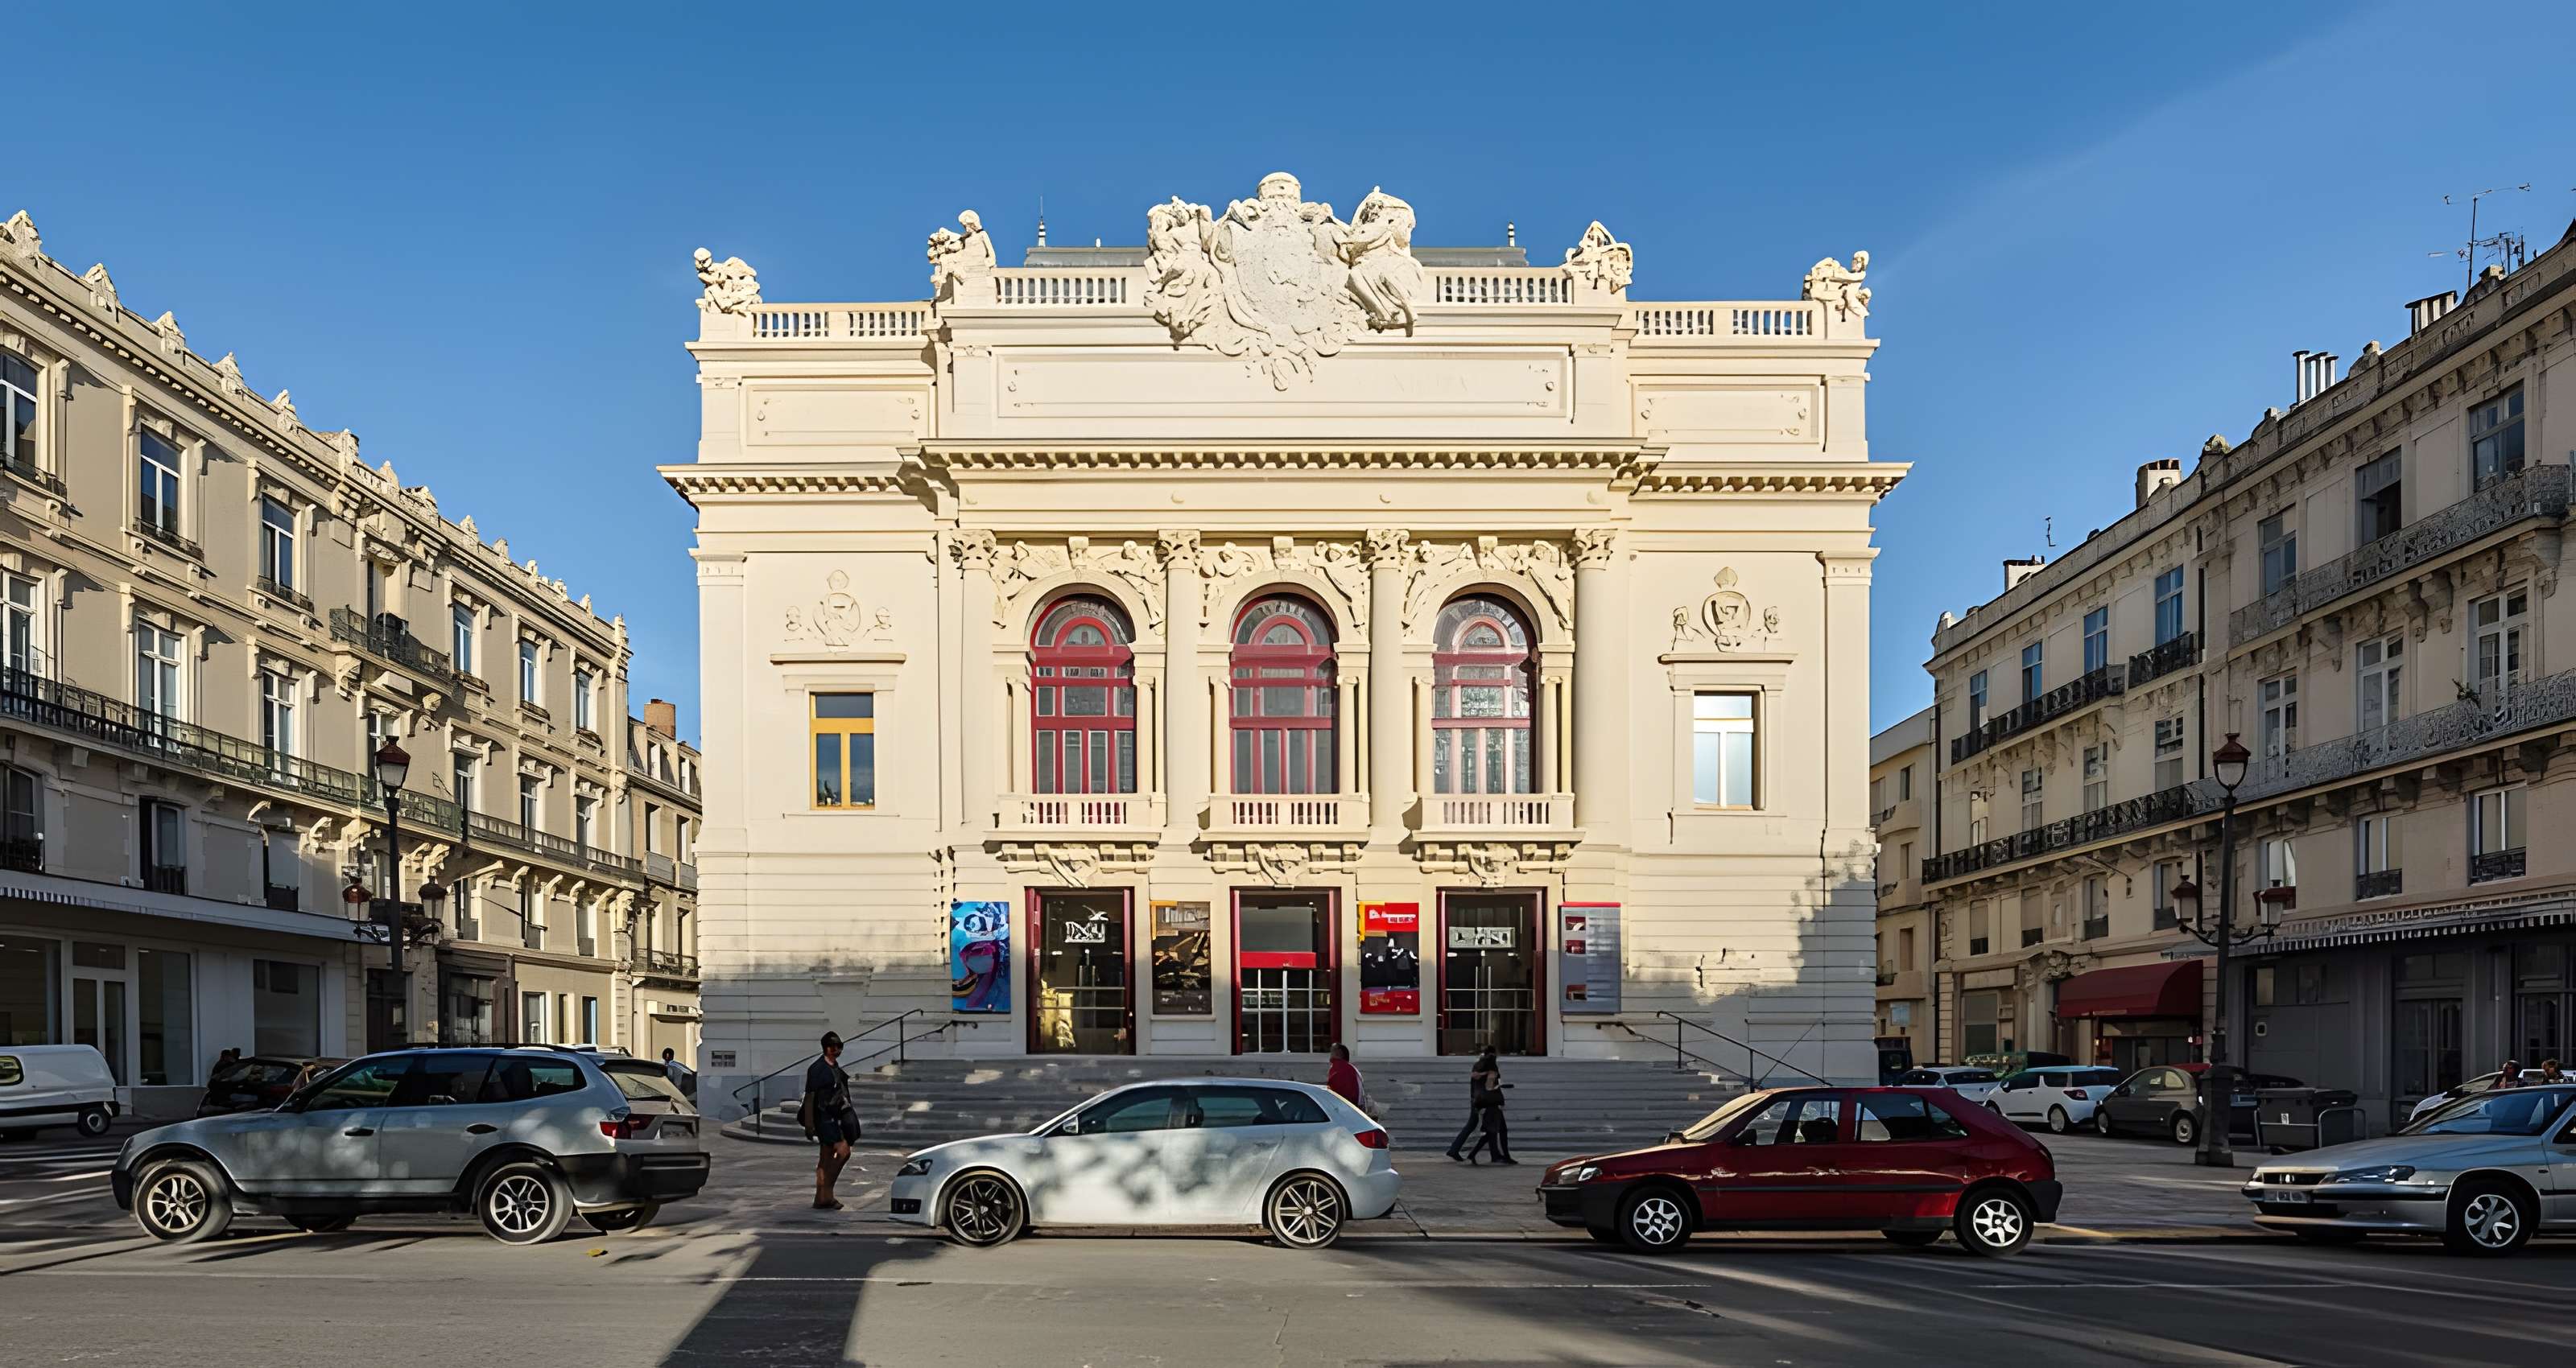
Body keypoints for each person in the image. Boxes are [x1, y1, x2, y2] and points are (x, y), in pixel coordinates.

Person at [803, 1032, 860, 1210]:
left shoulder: (835, 1067)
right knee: (843, 1152)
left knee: (826, 1159)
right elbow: (810, 1096)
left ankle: (822, 1197)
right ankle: (826, 1192)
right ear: (827, 1048)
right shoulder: (817, 1068)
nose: (838, 1051)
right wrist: (810, 1124)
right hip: (823, 1117)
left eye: (840, 1047)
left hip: (836, 1116)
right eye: (835, 1047)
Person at [1465, 1050, 1514, 1166]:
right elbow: (1489, 1087)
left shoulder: (1478, 1070)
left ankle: (1498, 1156)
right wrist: (1498, 1086)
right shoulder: (1492, 1071)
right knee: (1495, 1132)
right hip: (1492, 1105)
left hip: (1485, 1104)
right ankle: (1499, 1156)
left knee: (1493, 1132)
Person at [1325, 1044, 1364, 1111]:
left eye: (1332, 1050)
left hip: (1344, 1108)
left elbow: (1335, 1090)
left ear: (1339, 1052)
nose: (1330, 1053)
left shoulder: (1339, 1067)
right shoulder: (1350, 1068)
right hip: (1353, 1107)